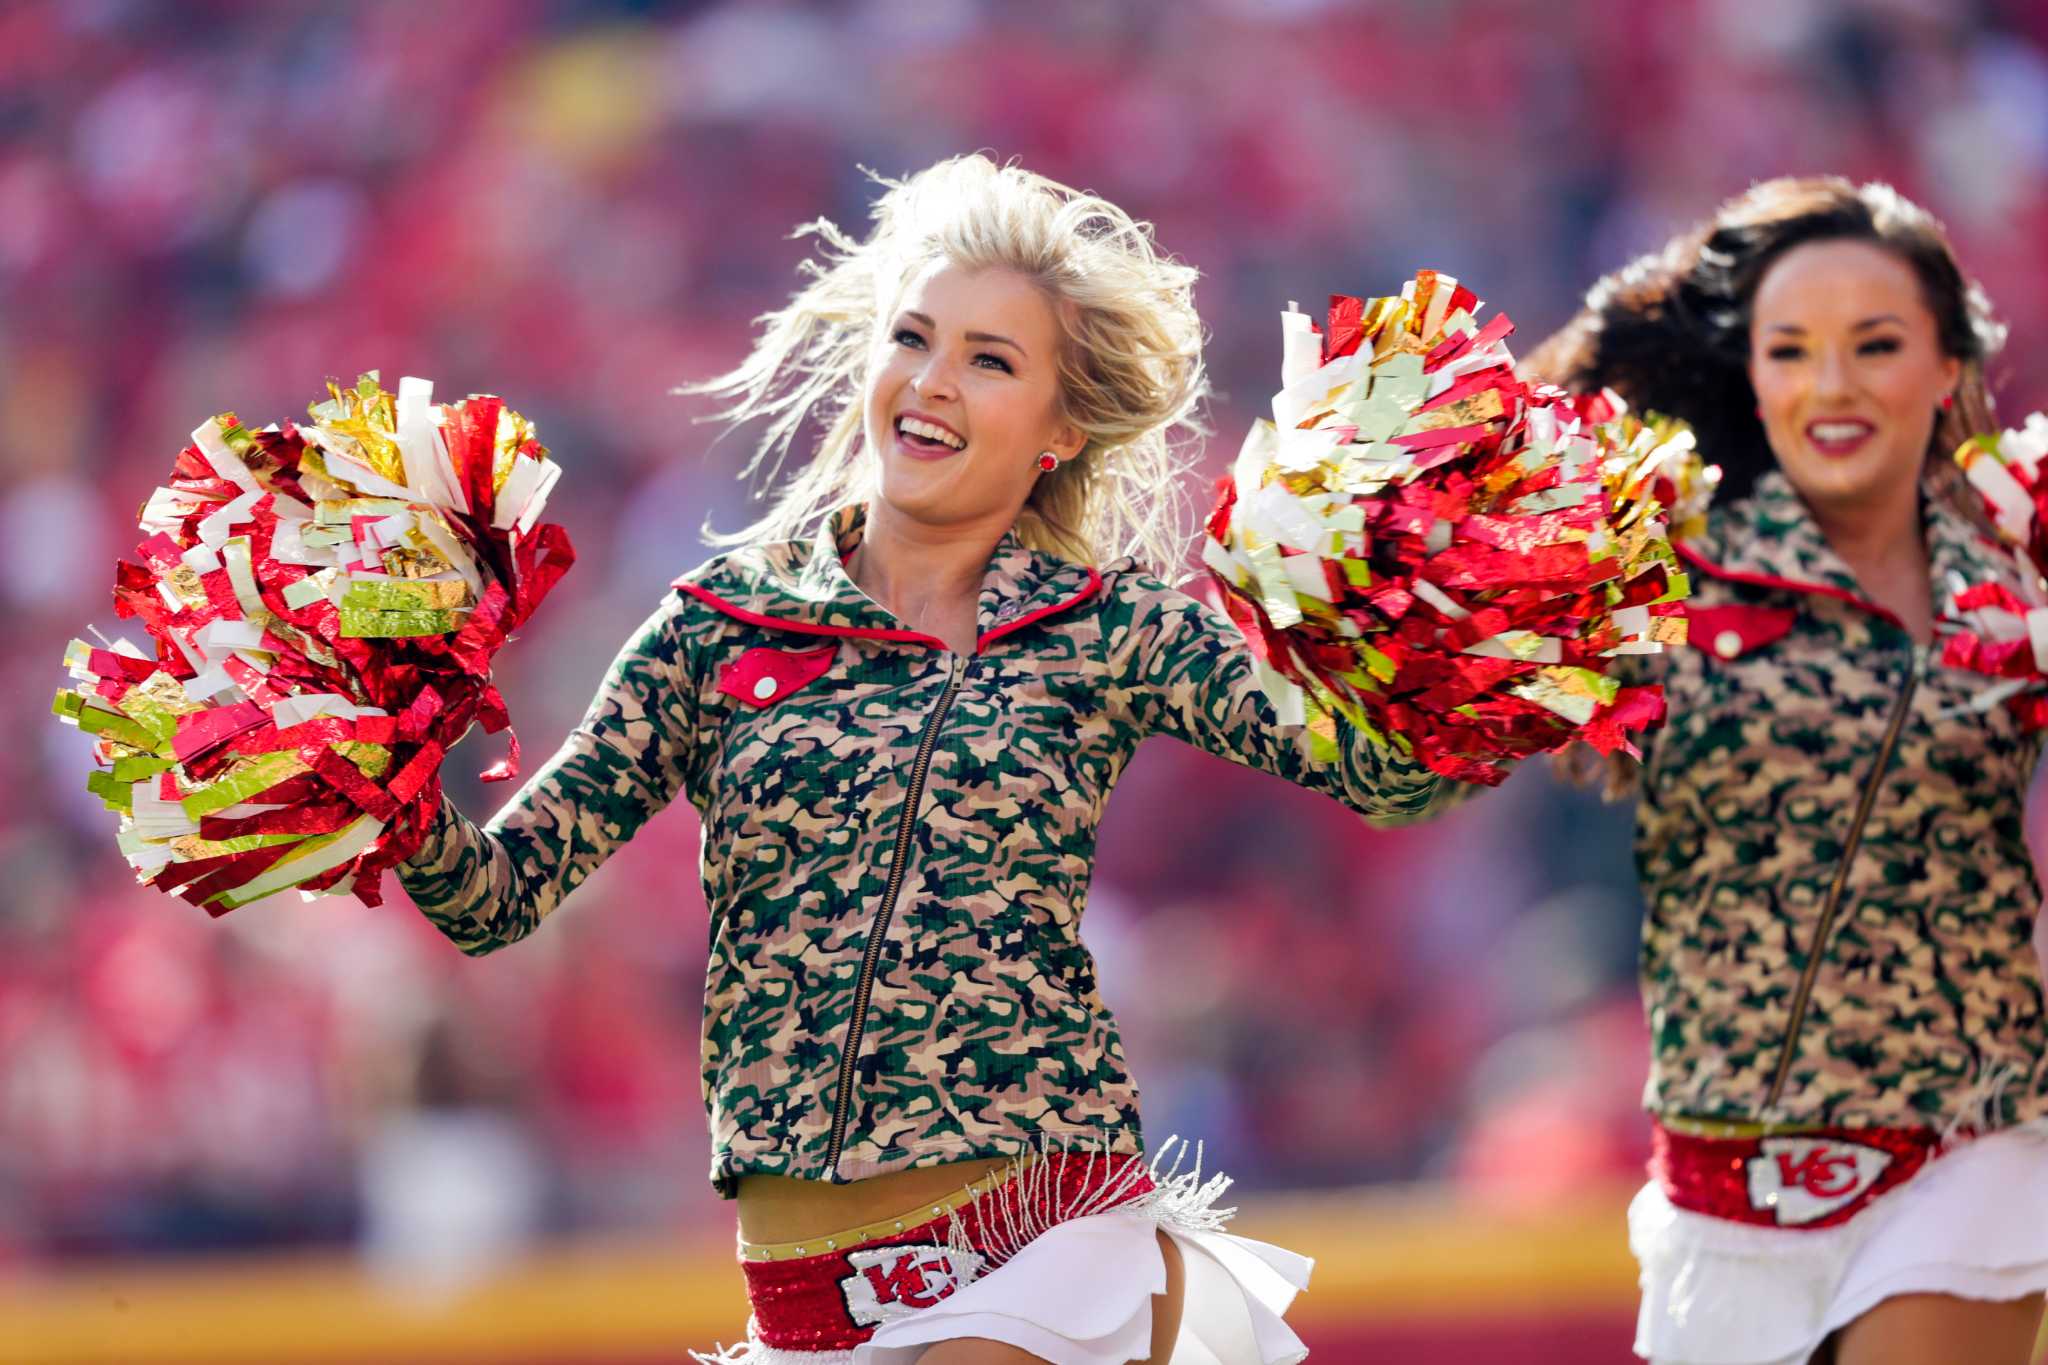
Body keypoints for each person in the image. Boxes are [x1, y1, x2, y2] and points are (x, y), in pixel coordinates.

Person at [396, 153, 1463, 1364]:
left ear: (1059, 430)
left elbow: (1386, 773)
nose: (932, 382)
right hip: (803, 1302)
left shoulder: (1106, 628)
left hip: (1039, 1248)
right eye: (914, 338)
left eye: (989, 360)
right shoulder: (717, 626)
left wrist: (1469, 646)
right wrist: (369, 780)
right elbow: (494, 900)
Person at [1527, 177, 2048, 1365]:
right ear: (1749, 374)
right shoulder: (1644, 573)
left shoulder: (2017, 563)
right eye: (1790, 349)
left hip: (1965, 1144)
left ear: (1945, 362)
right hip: (1719, 1180)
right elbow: (1426, 767)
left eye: (1874, 345)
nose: (1831, 384)